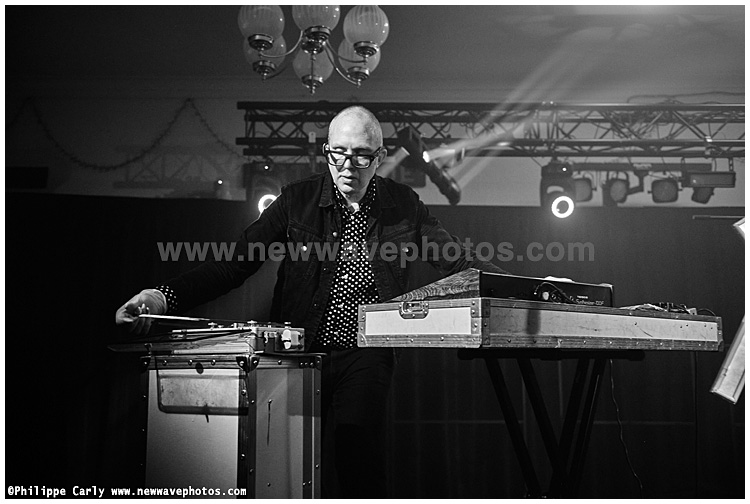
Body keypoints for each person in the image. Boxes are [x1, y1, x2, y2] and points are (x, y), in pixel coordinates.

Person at [116, 105, 506, 498]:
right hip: (300, 350)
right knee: (285, 462)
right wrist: (161, 298)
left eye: (361, 155)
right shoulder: (296, 200)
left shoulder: (403, 204)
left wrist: (524, 288)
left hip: (367, 351)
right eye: (338, 153)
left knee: (359, 459)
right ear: (326, 151)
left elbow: (456, 261)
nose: (348, 166)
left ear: (380, 157)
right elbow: (233, 265)